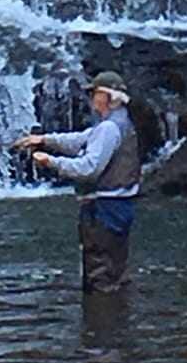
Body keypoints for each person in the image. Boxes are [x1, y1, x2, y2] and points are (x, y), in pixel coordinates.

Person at [15, 70, 140, 294]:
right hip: (120, 205)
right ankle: (118, 321)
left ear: (106, 96)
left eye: (94, 93)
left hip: (103, 209)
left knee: (99, 275)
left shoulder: (109, 128)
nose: (91, 98)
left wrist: (50, 162)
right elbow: (82, 139)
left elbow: (88, 169)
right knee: (115, 271)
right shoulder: (120, 122)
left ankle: (101, 323)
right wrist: (45, 139)